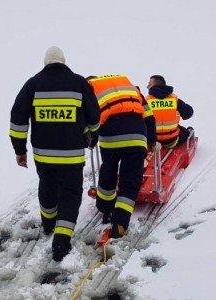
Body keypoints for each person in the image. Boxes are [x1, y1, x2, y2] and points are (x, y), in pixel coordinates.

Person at [9, 46, 100, 261]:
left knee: (47, 186)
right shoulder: (79, 83)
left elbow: (18, 120)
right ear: (63, 61)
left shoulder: (32, 84)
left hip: (43, 155)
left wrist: (20, 151)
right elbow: (94, 116)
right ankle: (61, 240)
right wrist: (91, 134)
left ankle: (49, 225)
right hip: (72, 155)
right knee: (70, 193)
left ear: (46, 62)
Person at [87, 75, 160, 238]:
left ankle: (106, 210)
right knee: (130, 181)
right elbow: (149, 117)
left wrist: (91, 140)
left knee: (108, 172)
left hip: (110, 137)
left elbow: (90, 120)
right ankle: (120, 223)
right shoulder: (130, 88)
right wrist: (153, 141)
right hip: (136, 134)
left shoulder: (90, 90)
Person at [146, 75, 194, 148]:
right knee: (184, 131)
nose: (147, 86)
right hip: (171, 141)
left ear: (155, 86)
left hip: (152, 142)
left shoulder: (146, 101)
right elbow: (188, 113)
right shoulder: (174, 100)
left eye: (149, 84)